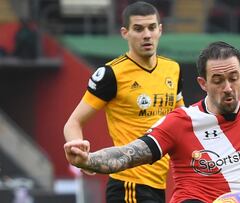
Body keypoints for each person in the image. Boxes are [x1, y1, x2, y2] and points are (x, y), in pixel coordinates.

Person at [64, 41, 240, 203]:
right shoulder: (180, 122)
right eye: (218, 81)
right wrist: (87, 160)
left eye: (233, 78)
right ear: (202, 83)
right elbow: (128, 155)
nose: (228, 87)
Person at [63, 1, 184, 203]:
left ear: (160, 30)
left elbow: (182, 119)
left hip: (158, 185)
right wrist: (79, 151)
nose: (147, 34)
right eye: (138, 28)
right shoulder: (112, 74)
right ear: (125, 33)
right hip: (129, 185)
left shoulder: (173, 69)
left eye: (151, 27)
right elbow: (73, 123)